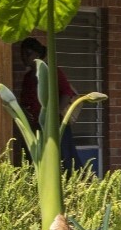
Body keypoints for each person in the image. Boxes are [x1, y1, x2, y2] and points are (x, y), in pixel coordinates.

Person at [13, 35, 78, 163]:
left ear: (37, 54)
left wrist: (52, 118)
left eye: (28, 53)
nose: (24, 57)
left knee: (61, 161)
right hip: (34, 126)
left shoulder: (51, 71)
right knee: (34, 161)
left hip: (52, 126)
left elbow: (67, 93)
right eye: (22, 54)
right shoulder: (28, 77)